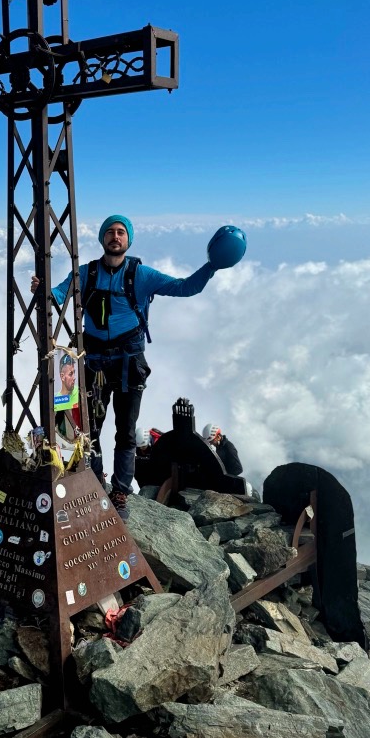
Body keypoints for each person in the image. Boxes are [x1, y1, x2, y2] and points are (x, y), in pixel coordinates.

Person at [31, 214, 217, 519]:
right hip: (92, 360)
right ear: (103, 238)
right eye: (110, 232)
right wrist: (43, 290)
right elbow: (58, 295)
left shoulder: (140, 275)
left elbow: (184, 287)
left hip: (128, 362)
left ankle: (119, 492)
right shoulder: (85, 273)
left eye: (121, 233)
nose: (115, 237)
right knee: (88, 430)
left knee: (125, 432)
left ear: (128, 240)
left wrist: (211, 266)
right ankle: (97, 482)